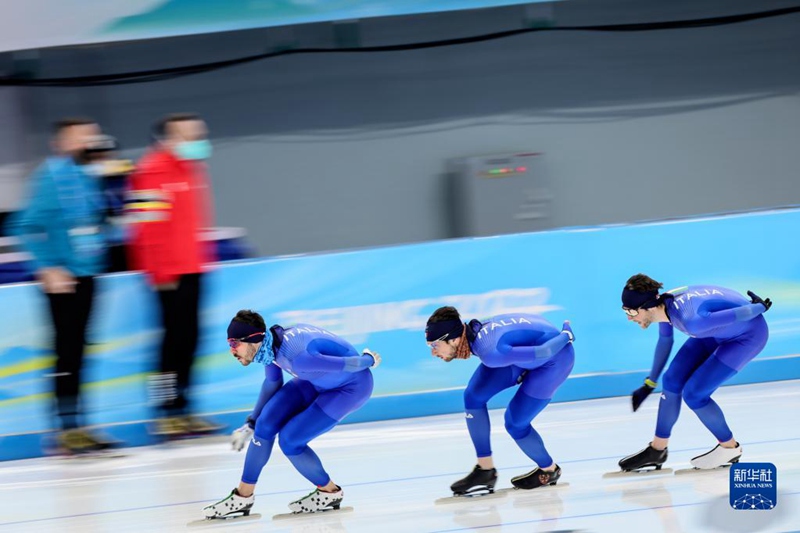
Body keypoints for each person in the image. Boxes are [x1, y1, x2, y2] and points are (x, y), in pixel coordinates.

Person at [202, 310, 380, 519]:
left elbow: (349, 364)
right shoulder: (267, 348)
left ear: (253, 340)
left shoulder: (298, 359)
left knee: (290, 440)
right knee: (265, 424)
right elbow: (272, 383)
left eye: (234, 344)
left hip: (349, 388)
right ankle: (243, 497)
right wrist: (251, 422)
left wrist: (369, 359)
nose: (232, 351)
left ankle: (329, 492)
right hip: (315, 379)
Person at [6, 118, 114, 453]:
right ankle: (66, 429)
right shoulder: (51, 176)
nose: (91, 141)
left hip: (87, 273)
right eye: (83, 137)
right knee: (67, 353)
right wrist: (47, 266)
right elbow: (23, 225)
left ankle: (80, 424)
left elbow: (96, 221)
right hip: (63, 279)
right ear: (64, 142)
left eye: (93, 135)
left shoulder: (90, 175)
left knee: (79, 352)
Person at [618, 274, 771, 472]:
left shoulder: (691, 321)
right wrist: (650, 383)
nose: (629, 318)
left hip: (746, 337)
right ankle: (657, 450)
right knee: (671, 380)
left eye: (631, 311)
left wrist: (760, 306)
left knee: (695, 394)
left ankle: (730, 448)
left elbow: (740, 314)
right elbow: (665, 342)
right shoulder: (663, 304)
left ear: (647, 306)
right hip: (716, 330)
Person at [126, 113, 218, 436]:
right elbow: (145, 228)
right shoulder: (152, 170)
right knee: (171, 343)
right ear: (171, 138)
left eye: (200, 134)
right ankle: (165, 412)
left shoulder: (192, 168)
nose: (199, 141)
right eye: (192, 135)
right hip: (169, 273)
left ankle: (185, 408)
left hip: (193, 267)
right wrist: (159, 270)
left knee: (190, 339)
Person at [425, 306, 575, 495]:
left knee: (515, 423)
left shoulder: (490, 351)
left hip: (555, 358)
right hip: (523, 352)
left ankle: (549, 470)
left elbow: (543, 352)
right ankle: (485, 470)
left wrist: (566, 335)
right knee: (473, 396)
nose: (433, 352)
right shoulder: (476, 336)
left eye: (434, 346)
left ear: (453, 339)